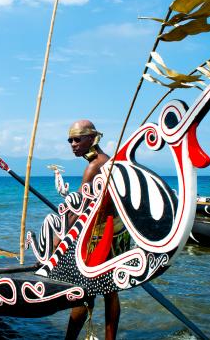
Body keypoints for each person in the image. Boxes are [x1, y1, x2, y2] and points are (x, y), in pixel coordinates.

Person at [65, 120, 120, 340]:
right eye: (70, 140)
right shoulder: (108, 161)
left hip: (98, 237)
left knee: (83, 292)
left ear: (92, 138)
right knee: (110, 292)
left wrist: (61, 237)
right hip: (115, 232)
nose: (73, 144)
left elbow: (75, 212)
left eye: (78, 139)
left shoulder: (94, 166)